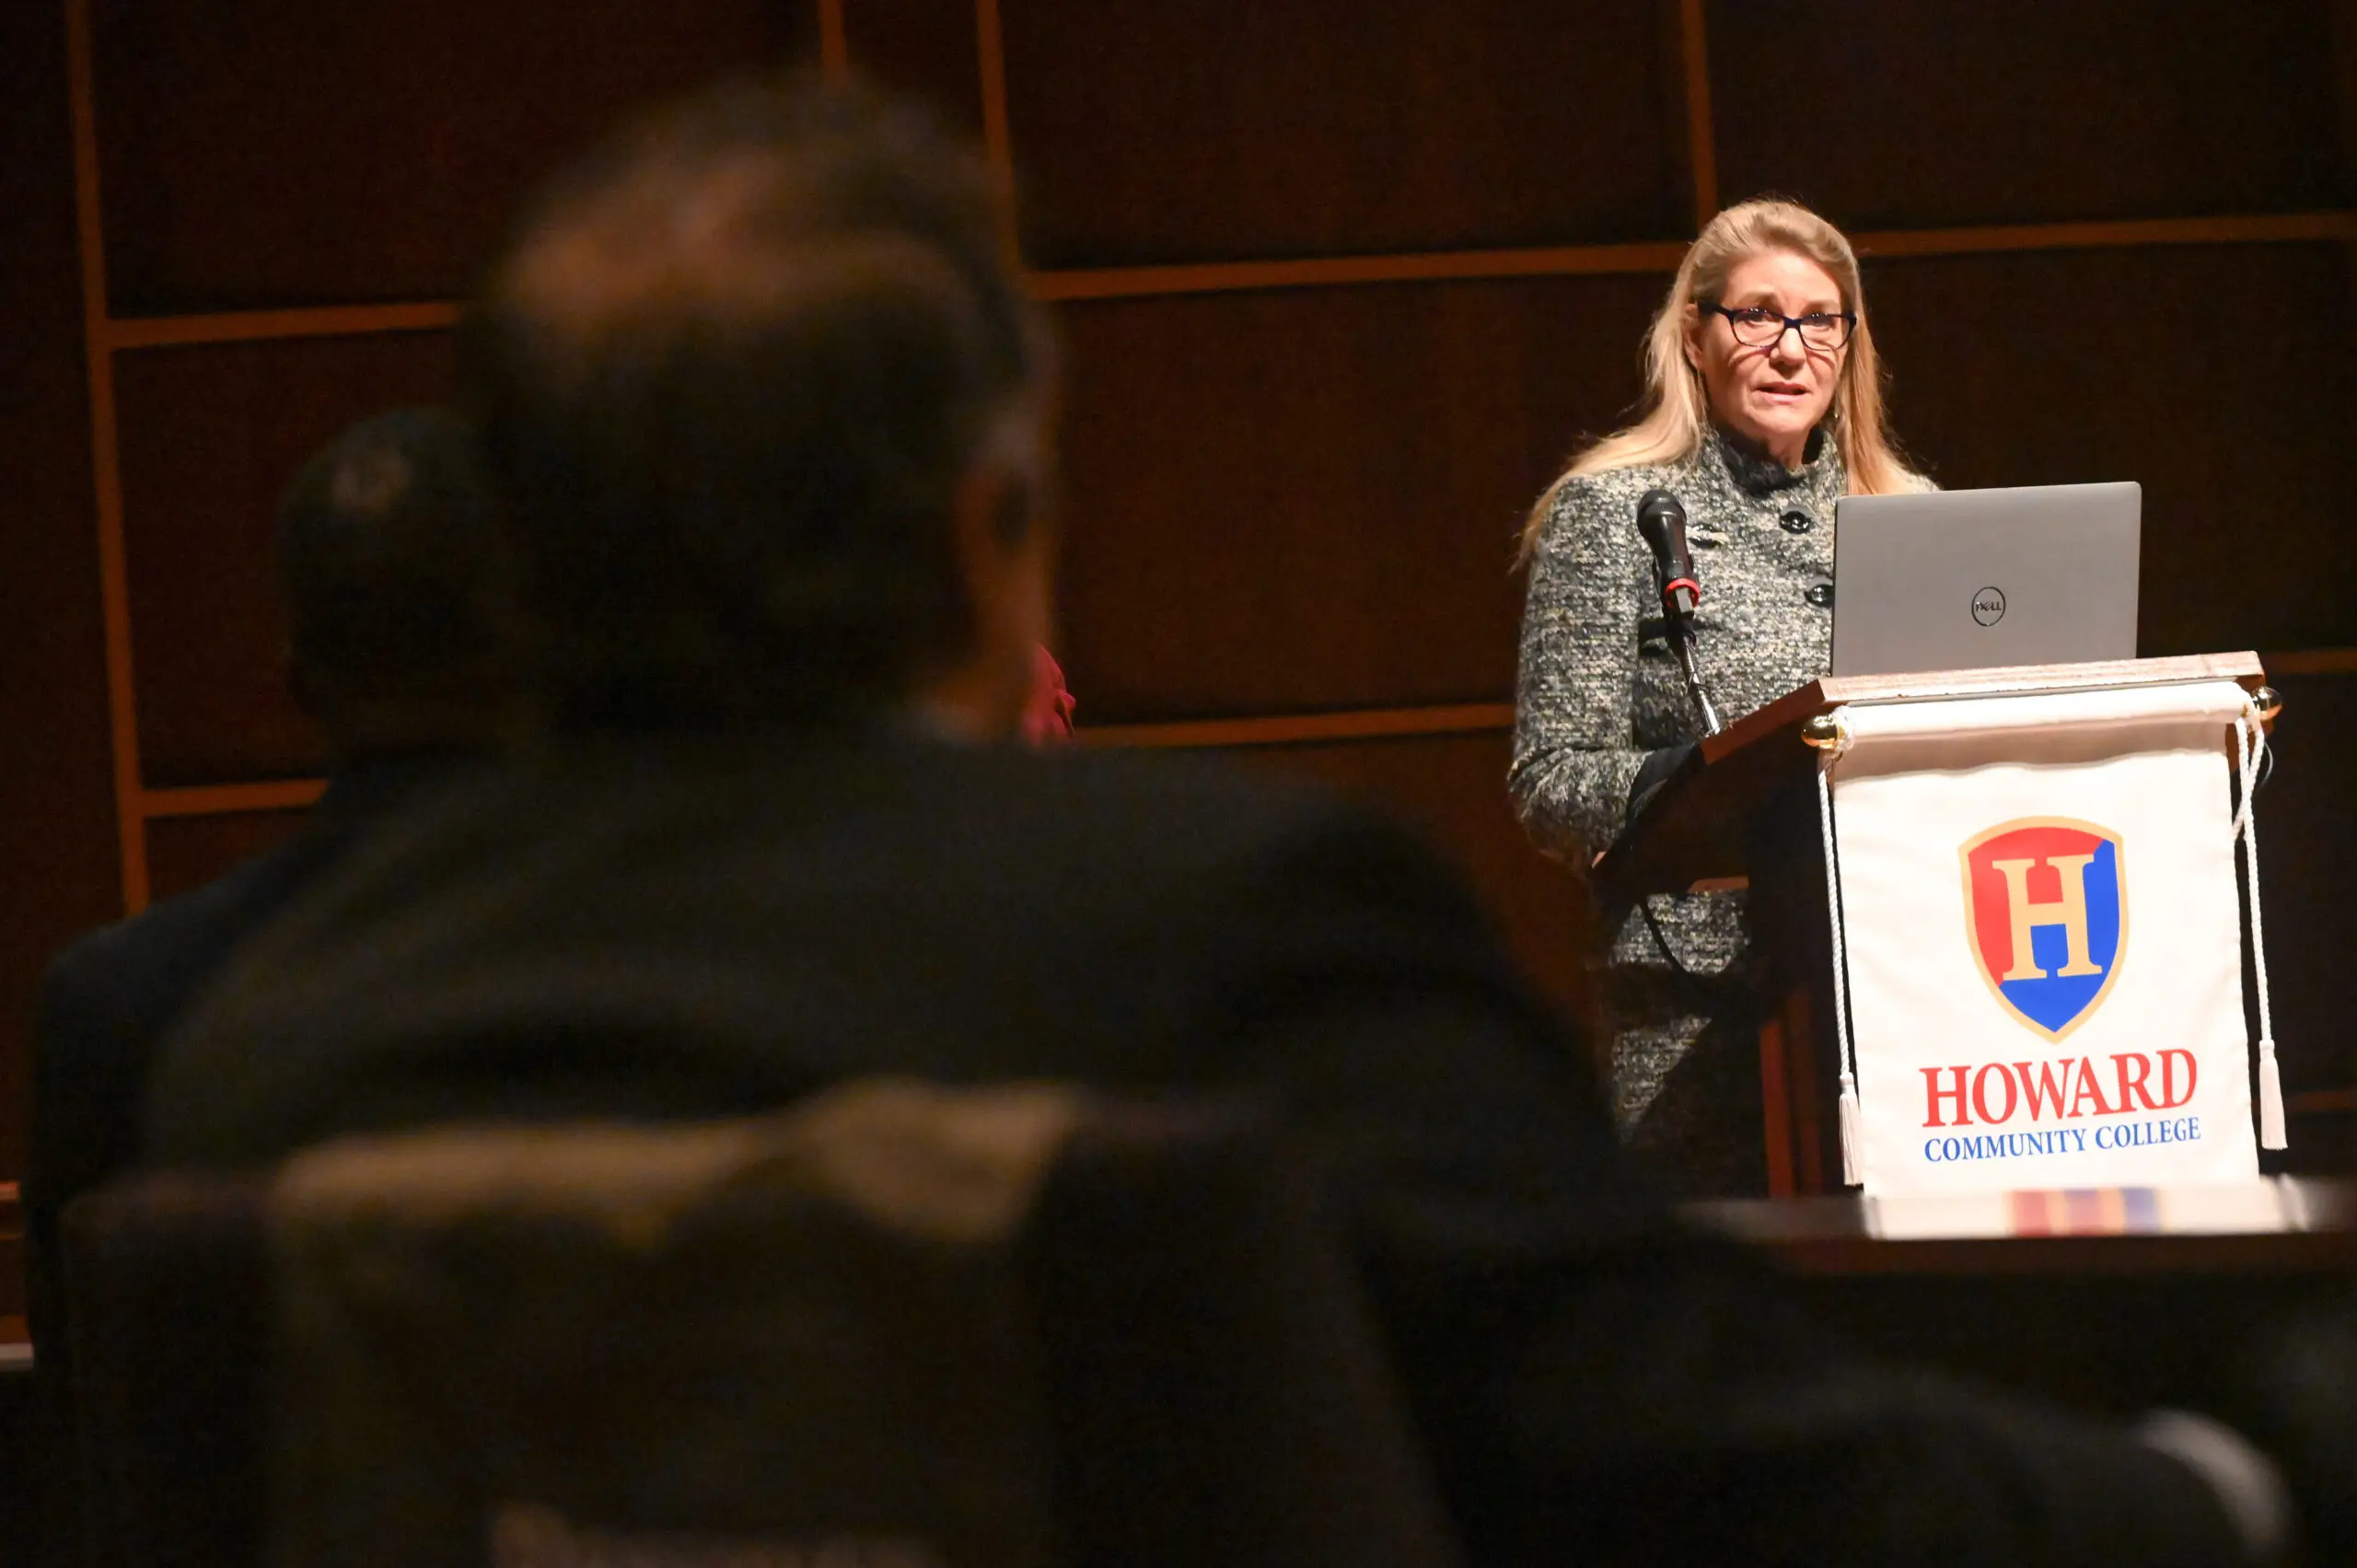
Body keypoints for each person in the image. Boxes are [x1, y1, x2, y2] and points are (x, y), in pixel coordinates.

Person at [149, 81, 2274, 1562]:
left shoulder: (266, 1049)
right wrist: (2226, 1487)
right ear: (994, 527)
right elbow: (1699, 1489)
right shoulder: (1228, 940)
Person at [25, 408, 511, 1376]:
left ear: (295, 683)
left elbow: (100, 1430)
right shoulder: (688, 951)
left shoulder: (119, 1008)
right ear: (553, 651)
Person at [1510, 198, 1928, 1197]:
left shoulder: (1908, 518)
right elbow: (1549, 782)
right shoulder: (1612, 512)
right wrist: (1720, 779)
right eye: (1756, 316)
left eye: (1819, 319)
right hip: (1700, 1013)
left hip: (1907, 993)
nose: (1790, 348)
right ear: (1695, 338)